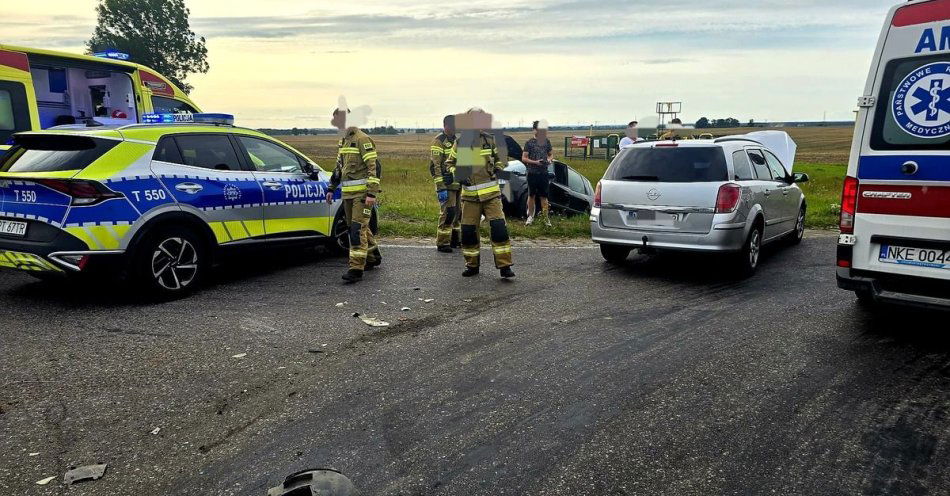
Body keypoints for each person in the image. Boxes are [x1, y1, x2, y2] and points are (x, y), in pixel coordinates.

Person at [445, 107, 515, 278]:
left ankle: (505, 266)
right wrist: (458, 174)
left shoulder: (490, 140)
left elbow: (502, 160)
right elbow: (449, 164)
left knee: (499, 230)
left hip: (491, 195)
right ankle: (472, 266)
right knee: (468, 233)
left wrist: (498, 169)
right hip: (469, 198)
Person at [325, 105, 382, 282]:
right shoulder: (343, 141)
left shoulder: (362, 139)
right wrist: (331, 188)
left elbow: (374, 167)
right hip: (348, 195)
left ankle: (356, 268)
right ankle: (373, 256)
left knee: (357, 230)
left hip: (362, 195)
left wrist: (372, 193)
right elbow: (338, 168)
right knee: (355, 228)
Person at [430, 115, 460, 252]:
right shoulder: (439, 141)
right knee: (448, 212)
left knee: (458, 213)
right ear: (446, 126)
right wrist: (440, 186)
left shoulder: (457, 140)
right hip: (446, 184)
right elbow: (435, 165)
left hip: (458, 182)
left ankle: (455, 240)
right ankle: (442, 242)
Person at [522, 120, 553, 227]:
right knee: (531, 195)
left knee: (544, 196)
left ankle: (546, 218)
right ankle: (530, 217)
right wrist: (535, 162)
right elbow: (524, 158)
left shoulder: (546, 141)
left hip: (544, 173)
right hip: (532, 173)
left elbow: (550, 155)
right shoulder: (529, 143)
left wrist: (549, 160)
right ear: (534, 130)